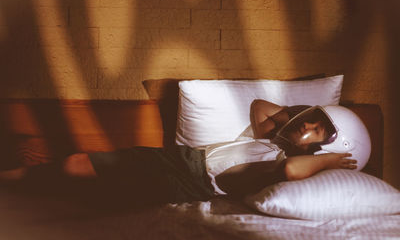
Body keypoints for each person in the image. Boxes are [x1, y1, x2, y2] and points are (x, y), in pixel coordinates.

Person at [0, 100, 362, 206]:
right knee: (79, 162)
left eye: (319, 131)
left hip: (190, 183)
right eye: (311, 120)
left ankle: (19, 188)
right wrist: (297, 119)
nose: (307, 127)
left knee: (86, 187)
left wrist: (328, 159)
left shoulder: (286, 163)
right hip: (178, 157)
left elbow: (292, 173)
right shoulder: (275, 141)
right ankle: (12, 179)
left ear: (325, 148)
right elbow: (260, 107)